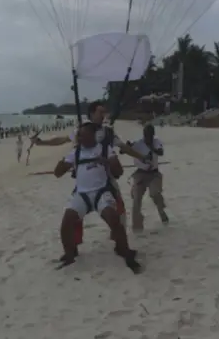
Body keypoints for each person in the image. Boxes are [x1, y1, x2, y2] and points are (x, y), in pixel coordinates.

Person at [33, 100, 148, 247]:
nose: (103, 115)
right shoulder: (81, 131)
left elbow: (124, 147)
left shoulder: (108, 132)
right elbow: (61, 140)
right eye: (100, 112)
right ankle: (75, 241)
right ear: (92, 114)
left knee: (118, 208)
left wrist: (141, 157)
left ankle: (118, 237)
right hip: (85, 178)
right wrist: (42, 143)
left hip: (107, 176)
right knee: (75, 212)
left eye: (104, 112)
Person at [53, 122, 141, 273]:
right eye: (78, 134)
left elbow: (119, 172)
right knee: (66, 222)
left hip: (101, 192)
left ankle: (125, 251)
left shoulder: (106, 150)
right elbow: (57, 173)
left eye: (82, 134)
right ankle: (69, 254)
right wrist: (63, 163)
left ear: (92, 135)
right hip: (81, 194)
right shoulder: (76, 152)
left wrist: (106, 162)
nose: (79, 137)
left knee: (114, 219)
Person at [130, 124, 169, 232]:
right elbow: (125, 150)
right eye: (146, 135)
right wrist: (128, 146)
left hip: (154, 174)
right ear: (143, 135)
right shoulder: (138, 143)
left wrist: (151, 146)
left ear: (153, 135)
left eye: (150, 136)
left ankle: (161, 211)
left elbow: (161, 152)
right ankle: (137, 226)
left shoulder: (156, 142)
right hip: (140, 174)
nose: (148, 138)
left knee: (154, 193)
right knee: (137, 199)